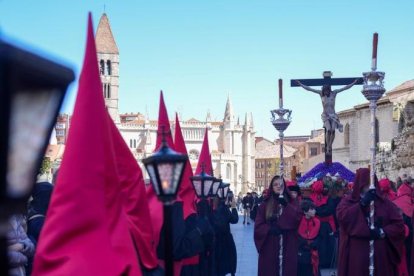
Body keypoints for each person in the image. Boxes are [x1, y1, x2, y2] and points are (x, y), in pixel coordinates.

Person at [337, 168, 405, 276]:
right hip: (358, 254)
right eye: (366, 183)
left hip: (380, 254)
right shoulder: (348, 202)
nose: (370, 186)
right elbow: (344, 219)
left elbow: (399, 226)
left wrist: (382, 231)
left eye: (371, 183)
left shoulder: (385, 203)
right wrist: (362, 204)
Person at [254, 175, 302, 276]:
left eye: (280, 184)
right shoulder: (265, 205)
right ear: (272, 187)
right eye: (275, 184)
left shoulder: (292, 203)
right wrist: (269, 229)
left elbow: (297, 219)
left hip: (288, 244)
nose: (278, 186)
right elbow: (258, 226)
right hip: (270, 245)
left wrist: (286, 205)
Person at [309, 180, 336, 269]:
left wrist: (317, 211)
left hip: (324, 224)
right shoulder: (327, 198)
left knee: (325, 243)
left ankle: (324, 262)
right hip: (320, 224)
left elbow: (329, 210)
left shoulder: (327, 198)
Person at [212, 195, 239, 276]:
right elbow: (234, 220)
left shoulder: (209, 208)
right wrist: (234, 207)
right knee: (224, 264)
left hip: (214, 242)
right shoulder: (223, 209)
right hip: (225, 242)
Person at [297, 200, 321, 276]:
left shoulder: (317, 221)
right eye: (312, 209)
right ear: (305, 212)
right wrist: (304, 243)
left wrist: (315, 243)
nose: (314, 211)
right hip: (302, 253)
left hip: (313, 252)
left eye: (314, 209)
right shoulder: (299, 221)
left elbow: (320, 236)